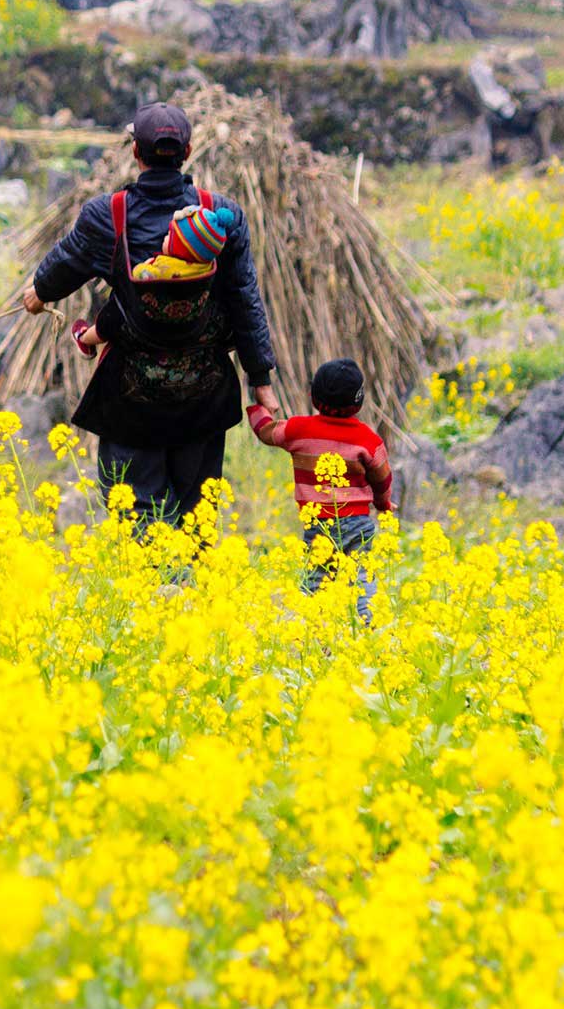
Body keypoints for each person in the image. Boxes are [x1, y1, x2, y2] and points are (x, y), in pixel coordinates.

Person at [21, 101, 279, 523]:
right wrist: (261, 379)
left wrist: (38, 293)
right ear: (189, 151)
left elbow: (63, 265)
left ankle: (154, 588)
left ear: (135, 152)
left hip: (130, 399)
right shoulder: (220, 216)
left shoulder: (107, 216)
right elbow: (243, 296)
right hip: (205, 394)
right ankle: (189, 586)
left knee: (138, 516)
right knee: (197, 517)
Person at [246, 358, 393, 621]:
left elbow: (266, 432)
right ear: (358, 402)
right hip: (357, 522)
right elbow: (382, 478)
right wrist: (383, 505)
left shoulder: (298, 429)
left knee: (315, 581)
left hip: (318, 523)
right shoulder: (368, 439)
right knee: (362, 576)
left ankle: (309, 630)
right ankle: (369, 625)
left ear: (314, 398)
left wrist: (259, 409)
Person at [69, 203, 233, 356]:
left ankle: (85, 339)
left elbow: (140, 274)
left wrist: (145, 265)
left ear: (180, 248)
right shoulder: (206, 267)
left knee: (115, 312)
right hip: (189, 329)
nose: (166, 236)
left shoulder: (165, 268)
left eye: (170, 235)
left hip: (149, 326)